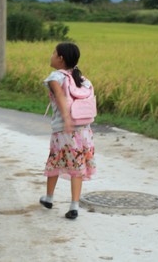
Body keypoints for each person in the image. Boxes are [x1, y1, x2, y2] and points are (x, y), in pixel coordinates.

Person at [39, 42, 96, 219]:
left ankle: (49, 198)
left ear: (60, 58)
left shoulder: (56, 76)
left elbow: (61, 98)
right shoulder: (82, 78)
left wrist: (66, 119)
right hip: (84, 131)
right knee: (77, 165)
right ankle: (74, 206)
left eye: (53, 53)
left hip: (64, 130)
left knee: (56, 161)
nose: (51, 56)